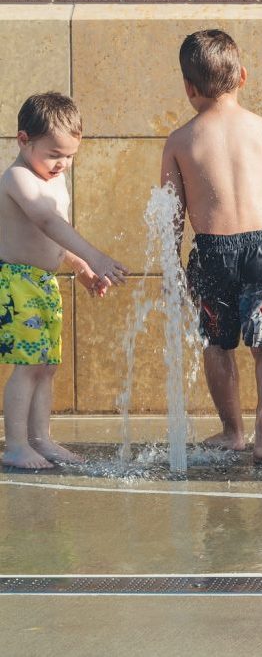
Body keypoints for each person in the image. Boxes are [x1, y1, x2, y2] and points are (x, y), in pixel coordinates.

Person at [161, 30, 262, 464]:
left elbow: (171, 214)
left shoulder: (181, 140)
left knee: (217, 344)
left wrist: (173, 266)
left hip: (211, 251)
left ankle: (232, 431)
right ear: (243, 76)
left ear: (188, 86)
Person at [0, 92, 127, 469]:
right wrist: (96, 256)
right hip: (17, 283)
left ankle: (41, 438)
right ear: (24, 140)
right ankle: (16, 445)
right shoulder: (17, 178)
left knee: (46, 364)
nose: (63, 164)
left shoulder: (53, 177)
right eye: (55, 153)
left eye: (70, 155)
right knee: (27, 365)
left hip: (43, 282)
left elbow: (54, 238)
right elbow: (47, 222)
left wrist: (79, 267)